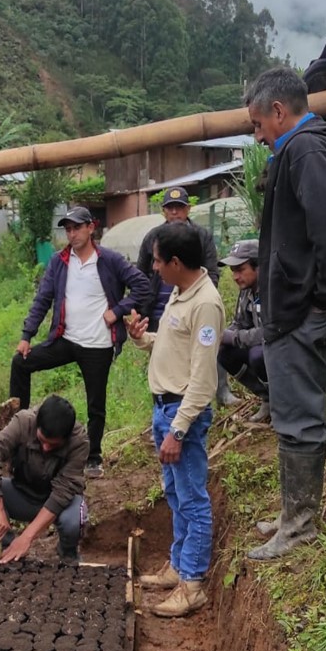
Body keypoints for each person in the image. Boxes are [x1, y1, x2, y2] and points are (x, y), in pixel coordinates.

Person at [243, 67, 326, 562]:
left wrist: (323, 302)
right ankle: (293, 513)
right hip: (298, 309)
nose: (257, 134)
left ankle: (300, 525)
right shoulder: (306, 147)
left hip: (301, 313)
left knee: (301, 418)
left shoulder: (306, 149)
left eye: (257, 124)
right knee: (294, 412)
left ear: (277, 111)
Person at [127, 222, 225, 617]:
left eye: (157, 261)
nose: (153, 268)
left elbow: (202, 381)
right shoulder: (180, 292)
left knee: (193, 498)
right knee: (175, 495)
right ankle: (178, 565)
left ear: (176, 262)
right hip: (164, 408)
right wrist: (141, 338)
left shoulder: (205, 304)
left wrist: (178, 431)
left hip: (182, 411)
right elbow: (170, 344)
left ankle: (193, 584)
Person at [9, 206, 149, 481]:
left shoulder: (109, 260)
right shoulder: (60, 262)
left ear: (90, 228)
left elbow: (143, 286)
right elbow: (43, 299)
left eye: (76, 227)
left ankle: (93, 456)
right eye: (68, 229)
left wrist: (118, 311)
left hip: (98, 345)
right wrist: (27, 335)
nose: (72, 234)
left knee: (96, 403)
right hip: (66, 339)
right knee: (20, 362)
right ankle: (19, 432)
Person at [0, 395, 89, 566]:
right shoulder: (24, 422)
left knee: (74, 520)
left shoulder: (79, 442)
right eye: (42, 441)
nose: (45, 448)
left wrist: (27, 537)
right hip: (23, 494)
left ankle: (68, 552)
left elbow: (63, 492)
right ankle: (9, 551)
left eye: (53, 445)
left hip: (59, 504)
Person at [136, 186, 220, 329]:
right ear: (164, 211)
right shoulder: (153, 237)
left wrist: (200, 301)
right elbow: (140, 274)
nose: (174, 212)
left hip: (190, 309)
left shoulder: (202, 236)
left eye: (179, 207)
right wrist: (142, 306)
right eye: (170, 208)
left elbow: (211, 272)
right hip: (158, 311)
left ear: (188, 209)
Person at [216, 238, 270, 422]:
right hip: (259, 344)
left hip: (283, 350)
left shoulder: (272, 289)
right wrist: (222, 336)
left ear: (257, 266)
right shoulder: (247, 289)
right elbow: (240, 322)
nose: (235, 276)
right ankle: (267, 397)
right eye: (233, 271)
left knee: (258, 355)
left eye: (240, 270)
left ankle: (282, 402)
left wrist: (235, 337)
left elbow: (270, 332)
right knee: (224, 352)